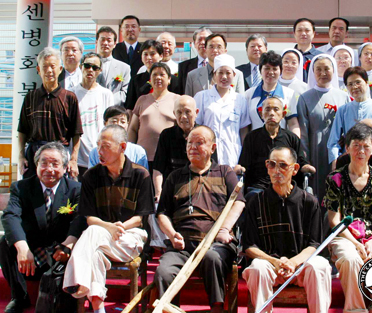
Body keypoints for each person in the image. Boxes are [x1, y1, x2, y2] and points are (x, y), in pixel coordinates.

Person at [63, 125, 154, 313]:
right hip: (99, 236)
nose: (99, 151)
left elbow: (140, 218)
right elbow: (89, 218)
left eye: (105, 146)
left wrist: (119, 227)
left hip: (131, 236)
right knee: (95, 249)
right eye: (98, 146)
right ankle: (98, 309)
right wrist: (109, 228)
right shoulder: (91, 176)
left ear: (122, 147)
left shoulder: (140, 174)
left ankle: (76, 281)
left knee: (93, 234)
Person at [155, 126, 245, 313]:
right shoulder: (174, 177)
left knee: (212, 257)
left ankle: (217, 309)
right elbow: (162, 214)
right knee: (163, 270)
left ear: (212, 148)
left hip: (214, 243)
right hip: (182, 244)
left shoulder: (224, 172)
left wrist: (224, 229)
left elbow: (239, 203)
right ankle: (169, 309)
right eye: (190, 143)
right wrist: (172, 235)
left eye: (199, 143)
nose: (193, 147)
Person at [243, 147, 331, 313]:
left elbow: (314, 244)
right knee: (256, 268)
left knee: (320, 266)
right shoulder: (256, 202)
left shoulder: (309, 202)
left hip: (300, 266)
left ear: (295, 169)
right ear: (266, 167)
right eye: (272, 164)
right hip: (270, 265)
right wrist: (275, 262)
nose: (277, 170)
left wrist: (293, 262)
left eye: (283, 165)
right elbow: (249, 246)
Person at [0, 142, 86, 313]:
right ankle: (19, 297)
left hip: (60, 250)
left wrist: (68, 244)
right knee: (5, 242)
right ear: (36, 164)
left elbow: (81, 219)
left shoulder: (76, 189)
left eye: (55, 164)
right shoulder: (21, 187)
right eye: (44, 163)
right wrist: (22, 246)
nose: (49, 169)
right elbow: (10, 216)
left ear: (65, 167)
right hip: (32, 251)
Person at [325, 123, 372, 313]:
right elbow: (334, 220)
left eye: (366, 146)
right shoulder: (335, 179)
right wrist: (356, 244)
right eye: (356, 145)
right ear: (347, 148)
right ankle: (355, 309)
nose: (361, 151)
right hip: (345, 236)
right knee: (350, 259)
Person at [17, 47, 83, 179]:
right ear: (38, 70)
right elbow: (22, 130)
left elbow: (76, 132)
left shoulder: (69, 98)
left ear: (60, 69)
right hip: (35, 155)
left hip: (60, 154)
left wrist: (73, 160)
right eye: (44, 66)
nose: (49, 71)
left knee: (60, 196)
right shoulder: (31, 97)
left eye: (52, 66)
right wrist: (20, 156)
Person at [297, 54, 349, 200]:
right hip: (315, 149)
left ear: (334, 70)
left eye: (327, 69)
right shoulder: (305, 98)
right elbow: (303, 132)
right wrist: (306, 159)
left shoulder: (343, 96)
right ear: (313, 72)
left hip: (339, 151)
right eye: (318, 69)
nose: (323, 73)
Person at [236, 97, 315, 192]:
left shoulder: (291, 138)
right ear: (261, 114)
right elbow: (244, 164)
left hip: (286, 187)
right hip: (259, 188)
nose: (272, 113)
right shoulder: (252, 137)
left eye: (276, 109)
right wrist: (240, 168)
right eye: (268, 109)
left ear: (283, 114)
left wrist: (305, 167)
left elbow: (301, 161)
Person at [194, 54, 250, 167]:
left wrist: (244, 157)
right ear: (214, 75)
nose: (224, 77)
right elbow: (196, 126)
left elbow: (243, 130)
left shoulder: (240, 99)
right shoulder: (202, 97)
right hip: (207, 152)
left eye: (228, 73)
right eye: (220, 73)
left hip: (233, 154)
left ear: (234, 75)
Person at [328, 67, 372, 167]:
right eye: (350, 84)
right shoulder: (343, 110)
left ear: (366, 82)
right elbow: (333, 141)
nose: (354, 87)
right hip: (349, 161)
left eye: (358, 82)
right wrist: (335, 161)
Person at [129, 62, 179, 174]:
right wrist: (130, 150)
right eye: (154, 75)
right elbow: (132, 128)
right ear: (150, 79)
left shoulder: (177, 100)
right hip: (143, 157)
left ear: (169, 79)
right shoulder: (142, 100)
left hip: (168, 156)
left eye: (162, 74)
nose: (158, 78)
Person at [73, 52, 114, 179]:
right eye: (87, 66)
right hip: (77, 158)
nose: (90, 70)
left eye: (95, 67)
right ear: (81, 67)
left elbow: (110, 126)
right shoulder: (71, 93)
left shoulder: (106, 94)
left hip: (100, 156)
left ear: (100, 71)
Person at [152, 95, 202, 200]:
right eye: (179, 112)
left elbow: (211, 168)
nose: (183, 116)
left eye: (187, 112)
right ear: (174, 114)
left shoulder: (204, 135)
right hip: (172, 189)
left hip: (198, 190)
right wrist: (159, 192)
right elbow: (158, 169)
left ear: (196, 112)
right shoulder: (166, 135)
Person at [244, 51, 300, 136]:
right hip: (255, 144)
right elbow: (245, 126)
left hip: (280, 144)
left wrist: (295, 145)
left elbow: (293, 124)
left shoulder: (289, 94)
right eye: (267, 68)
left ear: (280, 71)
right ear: (260, 70)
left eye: (275, 69)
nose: (271, 72)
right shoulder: (248, 95)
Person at [125, 39, 178, 111]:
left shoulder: (172, 79)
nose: (149, 58)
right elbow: (130, 107)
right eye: (145, 54)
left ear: (161, 56)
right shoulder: (136, 80)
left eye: (152, 54)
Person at [95, 26, 132, 106]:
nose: (105, 43)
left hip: (114, 110)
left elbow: (125, 92)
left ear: (115, 44)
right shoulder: (89, 65)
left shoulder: (124, 68)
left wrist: (108, 101)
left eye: (109, 40)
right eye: (102, 39)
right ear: (96, 42)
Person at [176, 27, 212, 93]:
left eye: (206, 39)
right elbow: (181, 91)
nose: (203, 42)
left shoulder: (217, 64)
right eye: (199, 39)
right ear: (194, 44)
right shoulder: (183, 66)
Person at [293, 18, 322, 82]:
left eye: (307, 30)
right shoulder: (288, 56)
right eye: (299, 30)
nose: (303, 33)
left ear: (313, 33)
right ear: (294, 33)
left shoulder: (321, 57)